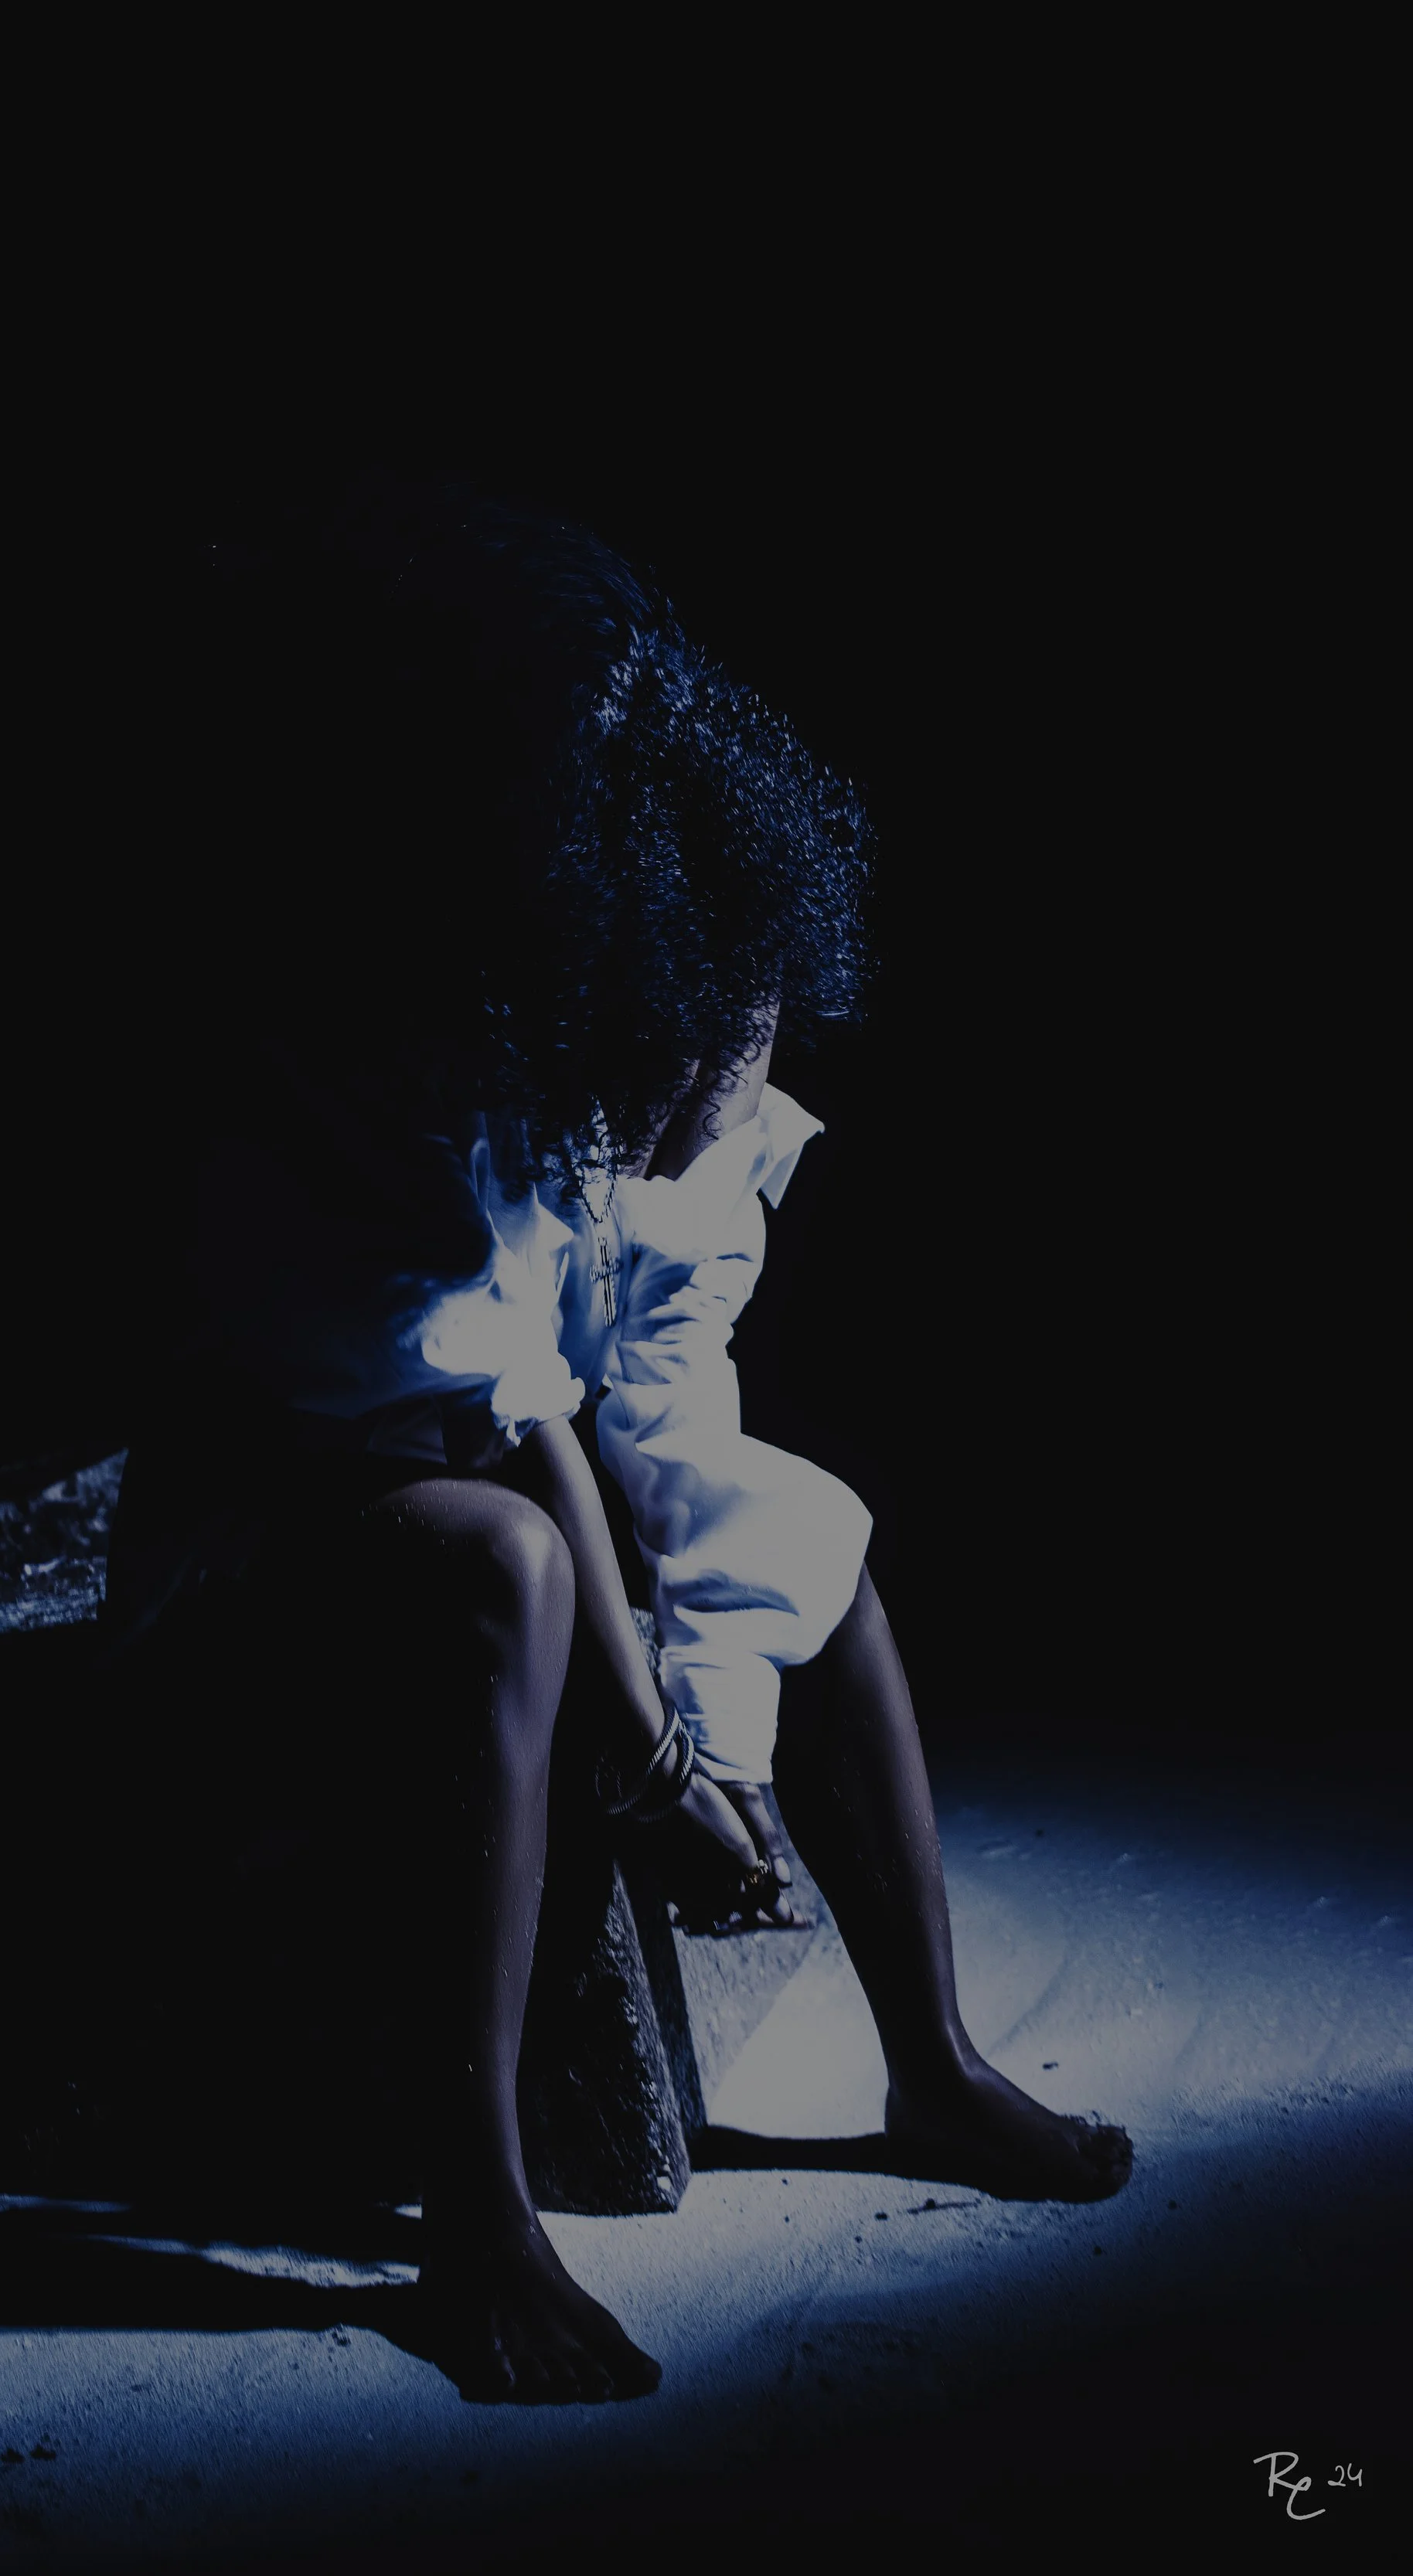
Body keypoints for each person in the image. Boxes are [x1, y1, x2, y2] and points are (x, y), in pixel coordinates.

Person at [102, 478, 1131, 2405]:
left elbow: (641, 1395)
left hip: (492, 1451)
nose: (687, 1115)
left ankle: (931, 2063)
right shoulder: (356, 1051)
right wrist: (652, 1753)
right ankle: (476, 2219)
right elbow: (491, 1422)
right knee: (503, 1565)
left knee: (804, 1524)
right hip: (271, 1506)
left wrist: (703, 1718)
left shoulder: (640, 969)